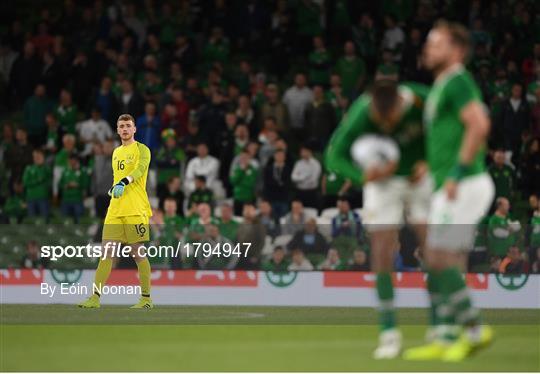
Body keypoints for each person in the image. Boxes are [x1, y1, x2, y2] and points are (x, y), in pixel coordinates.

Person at [403, 21, 495, 362]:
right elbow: (448, 135)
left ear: (456, 51)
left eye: (436, 43)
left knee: (438, 256)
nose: (428, 49)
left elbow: (479, 124)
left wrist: (456, 172)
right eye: (428, 43)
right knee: (445, 259)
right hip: (450, 183)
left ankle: (473, 328)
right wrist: (430, 165)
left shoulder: (457, 81)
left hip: (465, 183)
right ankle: (446, 336)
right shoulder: (443, 84)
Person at [325, 79, 430, 359]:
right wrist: (361, 176)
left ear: (399, 103)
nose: (384, 124)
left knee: (433, 247)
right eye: (379, 119)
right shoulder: (361, 111)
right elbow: (333, 154)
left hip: (419, 177)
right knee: (382, 251)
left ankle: (440, 326)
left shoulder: (421, 100)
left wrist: (432, 160)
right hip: (382, 182)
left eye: (390, 118)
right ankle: (389, 333)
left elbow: (451, 128)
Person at [78, 114, 153, 309]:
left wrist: (123, 182)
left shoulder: (142, 149)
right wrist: (115, 186)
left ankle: (146, 299)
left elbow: (139, 170)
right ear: (118, 130)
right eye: (122, 126)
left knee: (138, 254)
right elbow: (117, 177)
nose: (125, 129)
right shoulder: (116, 152)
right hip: (115, 209)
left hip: (135, 209)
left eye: (129, 125)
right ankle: (94, 298)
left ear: (135, 129)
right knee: (105, 254)